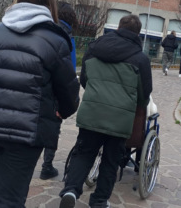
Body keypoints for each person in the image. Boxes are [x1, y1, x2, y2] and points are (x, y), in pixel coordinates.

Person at [0, 0, 80, 208]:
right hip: (26, 132)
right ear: (49, 3)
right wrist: (61, 111)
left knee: (5, 189)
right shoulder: (55, 40)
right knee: (6, 199)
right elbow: (68, 91)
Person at [59, 15, 152, 208]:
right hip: (120, 118)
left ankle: (71, 190)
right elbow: (144, 94)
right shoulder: (141, 59)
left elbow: (84, 79)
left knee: (83, 152)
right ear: (137, 33)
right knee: (111, 160)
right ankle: (99, 201)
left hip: (92, 112)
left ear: (118, 28)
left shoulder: (93, 49)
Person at [39, 2, 79, 180]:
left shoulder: (42, 29)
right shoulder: (67, 38)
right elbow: (69, 71)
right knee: (53, 126)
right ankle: (47, 166)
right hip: (54, 91)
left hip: (36, 84)